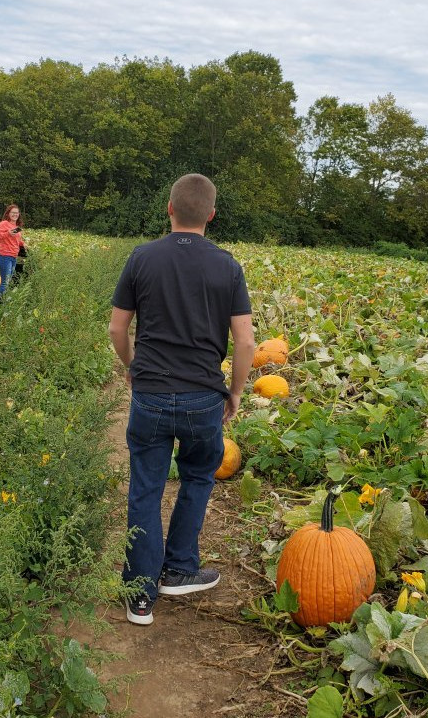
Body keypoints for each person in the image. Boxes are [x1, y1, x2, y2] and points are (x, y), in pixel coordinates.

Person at [109, 173, 255, 626]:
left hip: (151, 393)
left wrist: (132, 366)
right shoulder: (228, 266)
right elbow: (246, 343)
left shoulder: (142, 257)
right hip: (202, 397)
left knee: (146, 488)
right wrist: (233, 392)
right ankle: (178, 568)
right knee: (197, 476)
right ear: (211, 214)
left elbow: (117, 328)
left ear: (169, 208)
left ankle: (139, 596)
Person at [0, 204, 25, 302]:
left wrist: (24, 244)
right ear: (8, 213)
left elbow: (17, 241)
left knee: (8, 280)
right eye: (13, 212)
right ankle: (0, 303)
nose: (15, 214)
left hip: (14, 256)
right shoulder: (4, 223)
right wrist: (8, 233)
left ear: (19, 214)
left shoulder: (16, 227)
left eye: (17, 213)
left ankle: (3, 300)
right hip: (5, 256)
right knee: (5, 282)